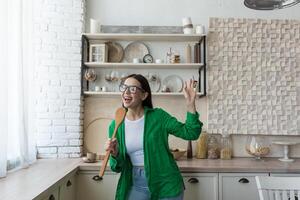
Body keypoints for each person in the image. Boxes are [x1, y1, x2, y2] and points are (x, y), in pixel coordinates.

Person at [105, 74, 203, 200]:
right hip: (135, 183)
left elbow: (191, 133)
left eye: (133, 88)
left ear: (144, 95)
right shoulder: (116, 125)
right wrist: (115, 154)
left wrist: (190, 104)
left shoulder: (158, 117)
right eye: (124, 87)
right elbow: (116, 167)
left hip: (166, 183)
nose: (126, 92)